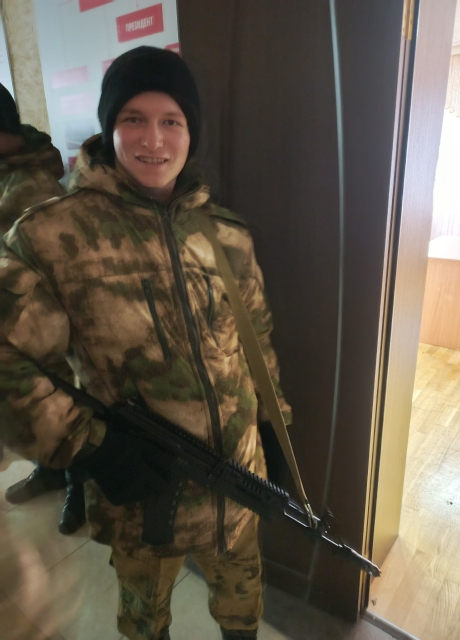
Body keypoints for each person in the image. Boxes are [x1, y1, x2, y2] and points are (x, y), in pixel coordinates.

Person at [0, 47, 291, 640]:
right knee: (144, 620)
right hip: (142, 497)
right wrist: (91, 448)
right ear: (110, 128)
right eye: (133, 118)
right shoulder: (52, 236)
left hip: (238, 483)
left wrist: (273, 428)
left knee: (243, 611)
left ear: (190, 132)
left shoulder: (226, 235)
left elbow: (256, 343)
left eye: (171, 121)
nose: (153, 139)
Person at [0, 83, 86, 535]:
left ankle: (78, 485)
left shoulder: (31, 184)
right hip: (15, 321)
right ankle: (51, 471)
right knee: (37, 408)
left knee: (63, 401)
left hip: (45, 322)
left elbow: (59, 268)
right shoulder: (7, 172)